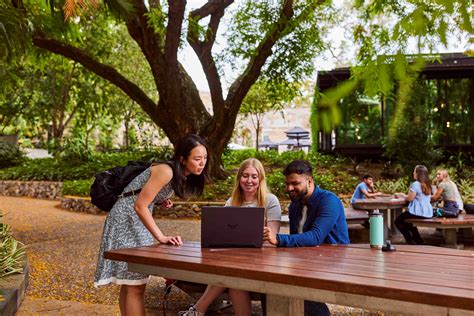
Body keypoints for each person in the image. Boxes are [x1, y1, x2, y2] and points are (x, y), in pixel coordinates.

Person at [94, 134, 209, 316]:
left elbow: (142, 195)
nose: (202, 163)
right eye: (197, 158)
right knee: (135, 286)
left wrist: (159, 200)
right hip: (127, 221)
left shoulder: (177, 174)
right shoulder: (166, 171)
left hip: (131, 219)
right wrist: (161, 237)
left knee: (130, 283)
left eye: (204, 158)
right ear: (182, 158)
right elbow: (140, 205)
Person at [180, 158, 282, 316]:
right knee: (234, 281)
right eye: (245, 176)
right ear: (239, 178)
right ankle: (198, 311)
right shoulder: (231, 201)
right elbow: (222, 233)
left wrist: (265, 234)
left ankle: (198, 310)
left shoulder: (270, 201)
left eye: (254, 176)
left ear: (260, 179)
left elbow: (272, 238)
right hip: (235, 260)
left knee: (231, 275)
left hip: (261, 261)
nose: (249, 180)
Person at [263, 159, 349, 316]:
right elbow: (297, 238)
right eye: (287, 184)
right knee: (266, 280)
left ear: (309, 181)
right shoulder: (295, 205)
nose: (289, 188)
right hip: (306, 261)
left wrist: (278, 239)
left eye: (295, 183)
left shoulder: (329, 201)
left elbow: (316, 236)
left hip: (333, 261)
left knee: (296, 283)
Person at [394, 165, 433, 245]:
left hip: (417, 212)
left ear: (418, 173)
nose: (413, 173)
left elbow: (410, 199)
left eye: (414, 171)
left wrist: (401, 196)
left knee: (398, 221)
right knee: (409, 222)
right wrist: (404, 195)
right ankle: (418, 240)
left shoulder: (415, 184)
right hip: (427, 212)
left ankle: (410, 240)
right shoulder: (427, 184)